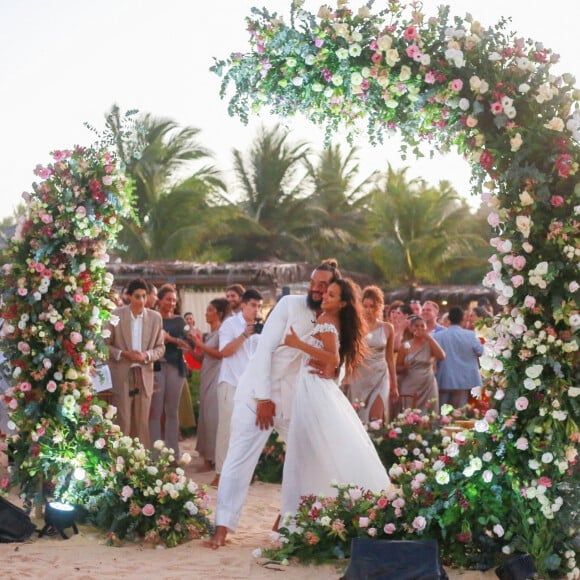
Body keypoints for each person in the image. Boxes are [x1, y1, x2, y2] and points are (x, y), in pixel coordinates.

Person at [205, 258, 341, 549]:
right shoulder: (289, 305)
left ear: (334, 288)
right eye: (314, 283)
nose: (316, 289)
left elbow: (338, 362)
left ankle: (286, 521)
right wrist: (264, 397)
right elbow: (265, 349)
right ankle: (222, 527)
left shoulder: (336, 318)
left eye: (323, 285)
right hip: (257, 392)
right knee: (238, 459)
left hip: (297, 401)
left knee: (305, 461)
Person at [281, 278, 391, 516]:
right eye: (326, 293)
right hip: (312, 384)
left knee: (310, 446)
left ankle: (304, 507)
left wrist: (298, 343)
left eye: (331, 295)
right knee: (314, 446)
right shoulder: (329, 320)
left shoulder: (328, 321)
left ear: (342, 304)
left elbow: (333, 358)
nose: (325, 297)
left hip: (314, 388)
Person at [105, 278, 165, 449]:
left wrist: (145, 355)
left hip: (144, 373)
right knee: (122, 421)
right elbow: (103, 344)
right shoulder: (115, 315)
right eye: (137, 296)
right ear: (129, 297)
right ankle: (119, 463)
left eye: (144, 296)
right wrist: (124, 354)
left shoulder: (155, 318)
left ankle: (139, 465)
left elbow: (160, 348)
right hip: (122, 372)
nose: (141, 301)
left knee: (141, 423)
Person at [213, 288, 263, 487]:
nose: (256, 309)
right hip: (230, 383)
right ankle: (219, 473)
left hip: (250, 387)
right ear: (243, 305)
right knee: (226, 429)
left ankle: (242, 474)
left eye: (259, 306)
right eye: (253, 305)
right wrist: (244, 335)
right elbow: (224, 351)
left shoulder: (262, 327)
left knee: (246, 430)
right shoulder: (230, 324)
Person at [342, 285, 398, 425]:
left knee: (376, 419)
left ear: (379, 306)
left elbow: (390, 359)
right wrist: (346, 376)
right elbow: (348, 354)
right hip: (359, 375)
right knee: (357, 419)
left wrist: (394, 385)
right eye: (364, 306)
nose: (367, 310)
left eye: (371, 306)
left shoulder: (387, 328)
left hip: (380, 375)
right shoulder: (355, 327)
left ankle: (376, 446)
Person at [149, 284, 191, 459]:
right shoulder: (151, 318)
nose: (172, 303)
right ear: (160, 300)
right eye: (168, 299)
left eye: (174, 300)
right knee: (155, 411)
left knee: (172, 411)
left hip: (175, 367)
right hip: (156, 367)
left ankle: (173, 454)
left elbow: (188, 345)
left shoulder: (180, 321)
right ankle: (154, 454)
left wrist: (170, 338)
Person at [192, 298, 230, 471]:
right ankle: (206, 457)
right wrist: (189, 348)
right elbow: (205, 357)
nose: (206, 313)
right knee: (205, 418)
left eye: (210, 310)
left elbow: (220, 354)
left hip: (216, 377)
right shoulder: (210, 333)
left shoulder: (223, 331)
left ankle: (213, 459)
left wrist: (198, 343)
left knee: (212, 417)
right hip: (207, 376)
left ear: (219, 314)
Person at [434, 306, 484, 409]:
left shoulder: (438, 336)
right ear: (463, 319)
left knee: (441, 412)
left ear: (449, 319)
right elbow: (481, 351)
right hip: (464, 380)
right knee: (459, 413)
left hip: (443, 378)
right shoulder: (470, 335)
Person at [396, 316, 446, 412]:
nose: (419, 328)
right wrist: (404, 367)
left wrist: (428, 337)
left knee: (429, 411)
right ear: (411, 328)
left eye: (422, 326)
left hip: (427, 383)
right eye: (416, 326)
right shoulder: (405, 346)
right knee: (409, 411)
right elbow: (397, 368)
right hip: (410, 383)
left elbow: (441, 356)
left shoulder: (430, 343)